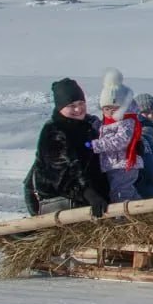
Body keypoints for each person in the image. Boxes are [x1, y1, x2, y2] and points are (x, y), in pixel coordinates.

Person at [23, 77, 108, 216]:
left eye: (81, 103)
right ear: (60, 108)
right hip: (54, 197)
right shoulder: (54, 132)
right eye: (71, 106)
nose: (78, 109)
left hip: (83, 194)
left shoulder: (89, 126)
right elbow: (63, 171)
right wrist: (88, 193)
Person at [88, 68, 144, 203]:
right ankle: (142, 211)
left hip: (124, 165)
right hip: (114, 164)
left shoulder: (126, 121)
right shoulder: (107, 123)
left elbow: (120, 141)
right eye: (106, 109)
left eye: (114, 109)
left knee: (121, 192)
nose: (110, 112)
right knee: (122, 191)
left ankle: (127, 216)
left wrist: (96, 145)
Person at [133, 93, 153, 198]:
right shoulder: (140, 137)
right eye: (145, 113)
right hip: (146, 191)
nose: (151, 116)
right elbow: (150, 169)